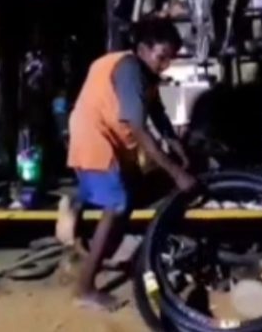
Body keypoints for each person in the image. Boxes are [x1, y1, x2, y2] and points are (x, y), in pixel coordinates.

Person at [66, 19, 197, 312]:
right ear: (142, 49)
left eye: (170, 59)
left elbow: (159, 117)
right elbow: (139, 128)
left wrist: (180, 151)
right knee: (117, 204)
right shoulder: (130, 70)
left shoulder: (146, 73)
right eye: (161, 57)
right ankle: (84, 288)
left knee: (134, 189)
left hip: (111, 141)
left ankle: (86, 225)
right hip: (94, 138)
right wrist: (176, 172)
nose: (165, 65)